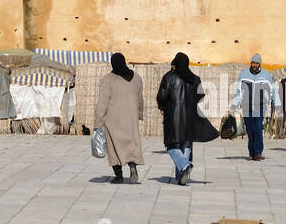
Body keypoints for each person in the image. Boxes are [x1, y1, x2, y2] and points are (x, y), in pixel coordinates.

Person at [156, 52, 219, 184]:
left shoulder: (170, 77)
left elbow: (162, 95)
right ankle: (180, 178)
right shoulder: (195, 79)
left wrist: (162, 106)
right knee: (186, 144)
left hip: (173, 117)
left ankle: (184, 166)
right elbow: (201, 95)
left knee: (171, 145)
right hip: (190, 117)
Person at [95, 52, 144, 183]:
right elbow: (140, 99)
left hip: (113, 120)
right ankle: (132, 166)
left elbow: (102, 102)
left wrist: (98, 121)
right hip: (131, 119)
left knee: (113, 147)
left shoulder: (108, 79)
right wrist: (139, 114)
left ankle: (119, 176)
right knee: (132, 145)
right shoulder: (137, 78)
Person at [230, 54, 274, 161]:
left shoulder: (266, 75)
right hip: (247, 106)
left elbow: (272, 90)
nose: (255, 65)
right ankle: (251, 152)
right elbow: (239, 91)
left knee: (258, 129)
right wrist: (234, 104)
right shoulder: (244, 74)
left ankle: (258, 152)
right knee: (250, 130)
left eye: (257, 63)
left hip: (260, 106)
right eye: (253, 63)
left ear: (260, 64)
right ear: (251, 63)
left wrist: (275, 102)